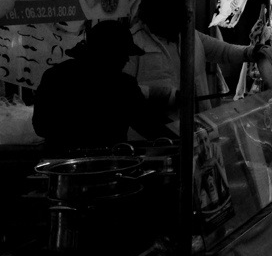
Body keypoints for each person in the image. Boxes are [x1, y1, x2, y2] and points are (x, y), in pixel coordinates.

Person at [32, 20, 172, 155]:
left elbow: (40, 126)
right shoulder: (123, 85)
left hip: (62, 164)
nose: (127, 59)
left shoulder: (55, 76)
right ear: (110, 54)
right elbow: (147, 125)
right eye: (123, 54)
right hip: (107, 164)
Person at [126, 0, 258, 124]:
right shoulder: (133, 42)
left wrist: (251, 52)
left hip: (200, 125)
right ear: (155, 16)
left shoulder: (189, 36)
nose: (176, 30)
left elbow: (224, 51)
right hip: (159, 132)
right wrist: (167, 96)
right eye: (170, 21)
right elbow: (123, 90)